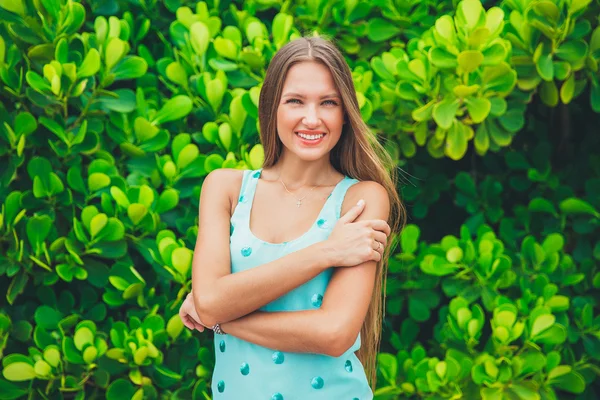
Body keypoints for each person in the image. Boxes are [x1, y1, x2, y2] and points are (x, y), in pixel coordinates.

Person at [178, 35, 405, 399]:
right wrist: (326, 253)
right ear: (272, 109)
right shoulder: (224, 189)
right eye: (295, 101)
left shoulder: (362, 199)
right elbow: (209, 301)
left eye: (328, 102)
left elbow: (333, 333)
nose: (311, 118)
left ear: (345, 114)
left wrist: (221, 319)